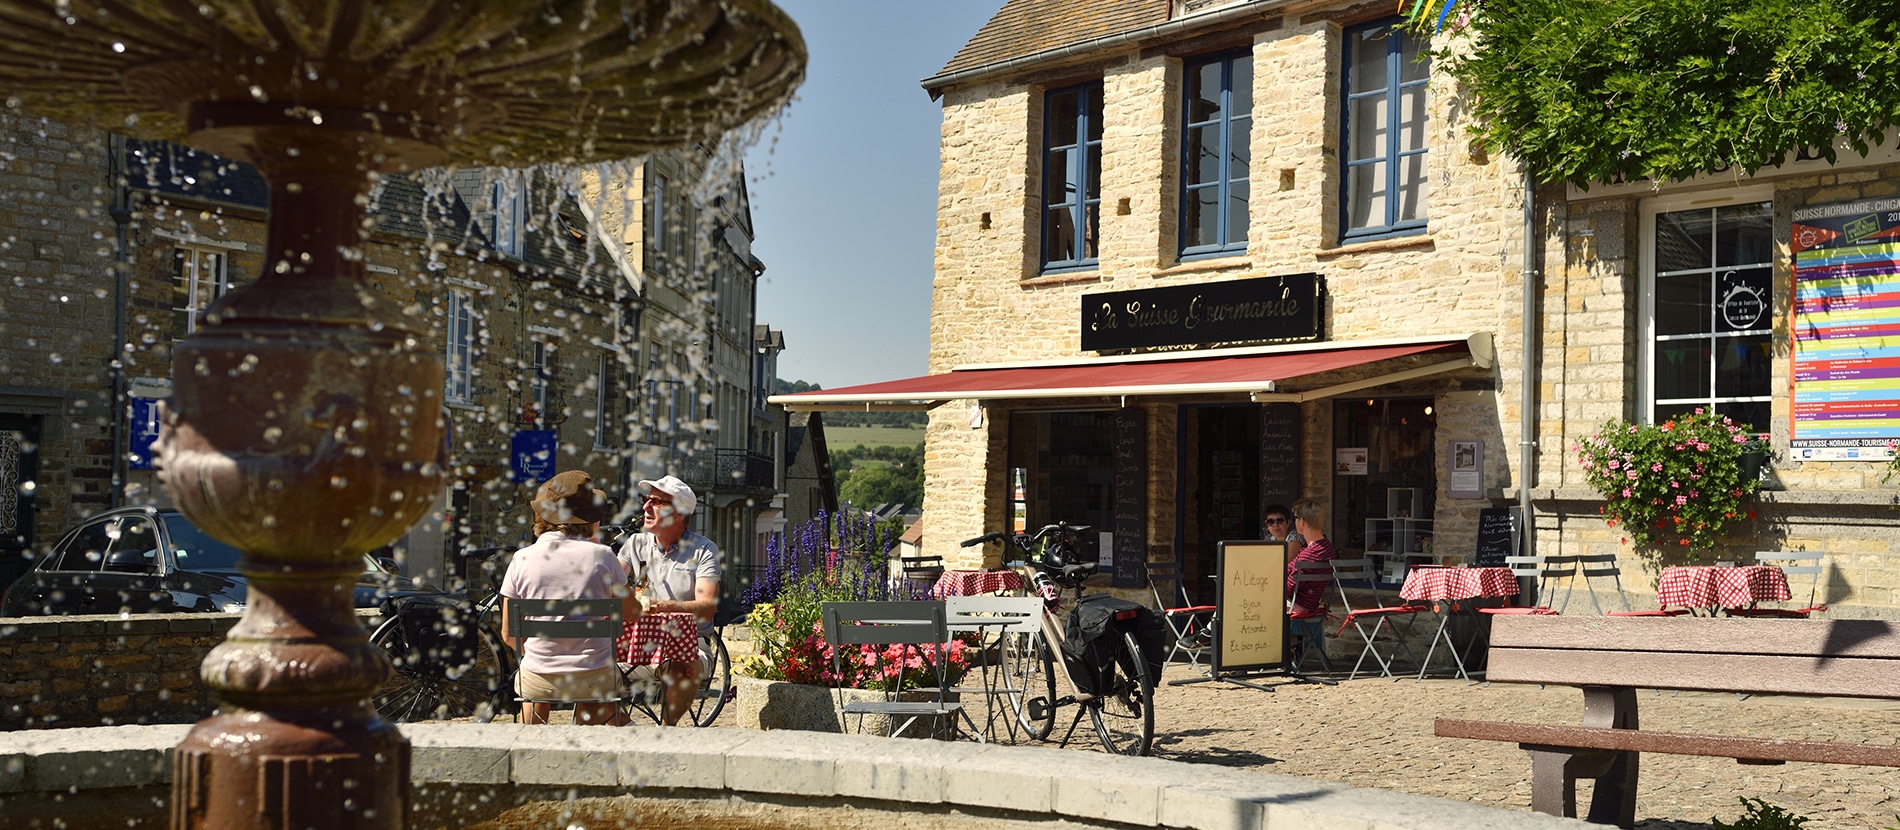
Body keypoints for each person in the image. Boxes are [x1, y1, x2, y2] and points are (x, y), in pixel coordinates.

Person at [499, 469, 627, 725]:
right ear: (587, 519)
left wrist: (543, 656)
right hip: (595, 677)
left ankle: (531, 746)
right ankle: (592, 741)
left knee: (534, 682)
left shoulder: (521, 559)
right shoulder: (604, 556)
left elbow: (508, 635)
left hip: (537, 678)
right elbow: (631, 612)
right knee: (595, 680)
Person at [617, 474, 720, 725]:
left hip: (690, 644)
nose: (645, 507)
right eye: (646, 499)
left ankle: (666, 735)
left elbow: (706, 609)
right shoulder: (635, 544)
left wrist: (658, 607)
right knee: (589, 664)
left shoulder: (703, 550)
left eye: (657, 501)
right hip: (637, 644)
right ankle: (627, 729)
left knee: (680, 663)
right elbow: (610, 581)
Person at [1284, 497, 1335, 617]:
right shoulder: (1326, 547)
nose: (1293, 523)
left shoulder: (1310, 554)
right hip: (1310, 604)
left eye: (1294, 518)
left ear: (1302, 521)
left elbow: (1287, 588)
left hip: (1296, 607)